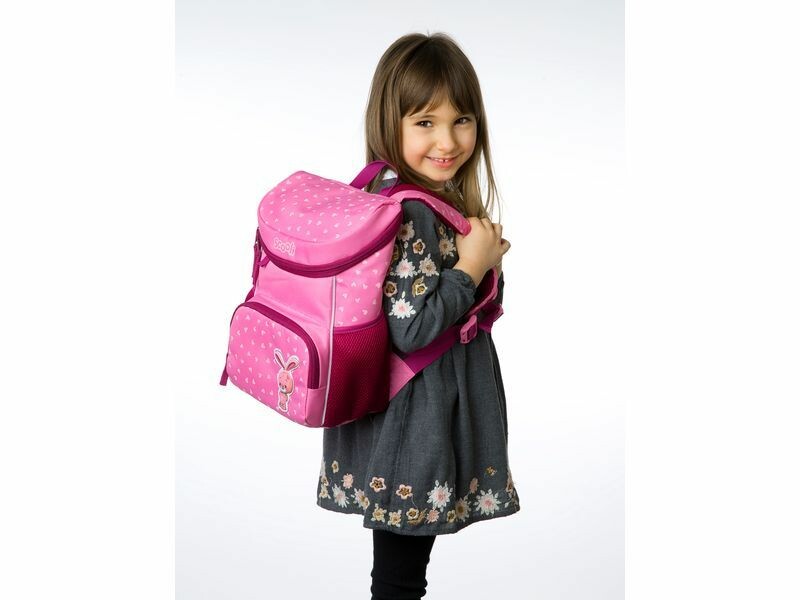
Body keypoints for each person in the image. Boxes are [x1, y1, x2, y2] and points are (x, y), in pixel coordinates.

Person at [315, 32, 519, 599]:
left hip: (405, 412)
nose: (447, 140)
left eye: (461, 120)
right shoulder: (411, 211)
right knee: (399, 580)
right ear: (391, 122)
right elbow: (413, 328)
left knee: (401, 574)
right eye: (425, 121)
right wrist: (471, 267)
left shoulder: (406, 198)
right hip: (412, 420)